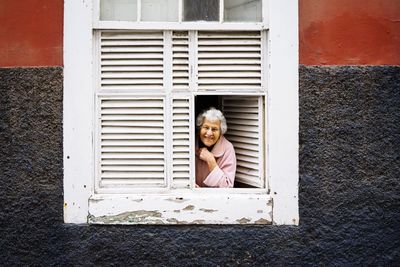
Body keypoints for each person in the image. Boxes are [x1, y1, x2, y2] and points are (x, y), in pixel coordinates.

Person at [195, 107, 236, 188]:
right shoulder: (188, 143)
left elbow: (227, 187)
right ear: (200, 128)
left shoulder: (227, 148)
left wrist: (211, 161)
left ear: (221, 132)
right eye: (206, 127)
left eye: (214, 129)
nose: (209, 133)